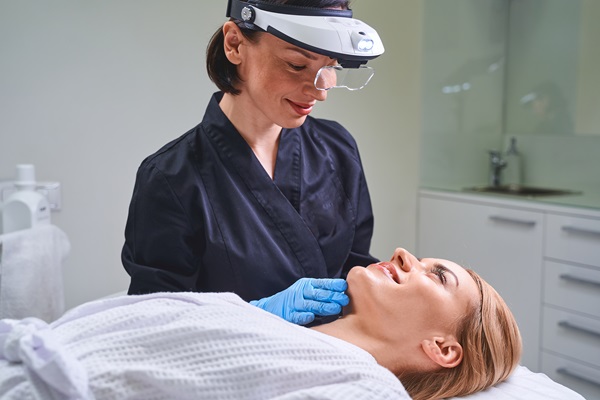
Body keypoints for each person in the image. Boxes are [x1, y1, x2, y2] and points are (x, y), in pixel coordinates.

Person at [121, 0, 385, 325]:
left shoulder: (337, 147)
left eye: (329, 66)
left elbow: (356, 267)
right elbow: (152, 323)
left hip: (335, 357)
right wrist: (253, 316)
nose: (320, 92)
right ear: (234, 44)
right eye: (296, 65)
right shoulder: (170, 178)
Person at [0, 248, 522, 400]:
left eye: (438, 275)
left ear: (442, 348)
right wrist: (248, 314)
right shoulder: (263, 321)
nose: (405, 252)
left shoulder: (367, 390)